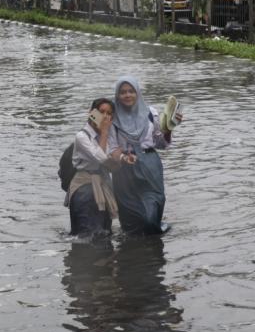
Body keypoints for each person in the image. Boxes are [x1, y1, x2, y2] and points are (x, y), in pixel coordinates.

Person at [108, 76, 181, 235]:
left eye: (131, 91)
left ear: (137, 93)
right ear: (117, 96)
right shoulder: (112, 118)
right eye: (123, 92)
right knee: (129, 223)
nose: (127, 95)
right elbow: (112, 149)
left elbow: (161, 144)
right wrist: (123, 158)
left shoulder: (151, 113)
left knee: (150, 215)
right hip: (124, 171)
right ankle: (134, 255)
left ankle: (156, 226)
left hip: (150, 166)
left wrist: (169, 129)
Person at [66, 98, 120, 237]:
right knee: (87, 234)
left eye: (109, 113)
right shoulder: (82, 136)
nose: (105, 116)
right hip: (84, 186)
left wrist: (124, 158)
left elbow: (113, 160)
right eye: (102, 112)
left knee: (105, 233)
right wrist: (104, 133)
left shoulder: (109, 135)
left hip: (103, 184)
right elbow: (101, 159)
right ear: (92, 113)